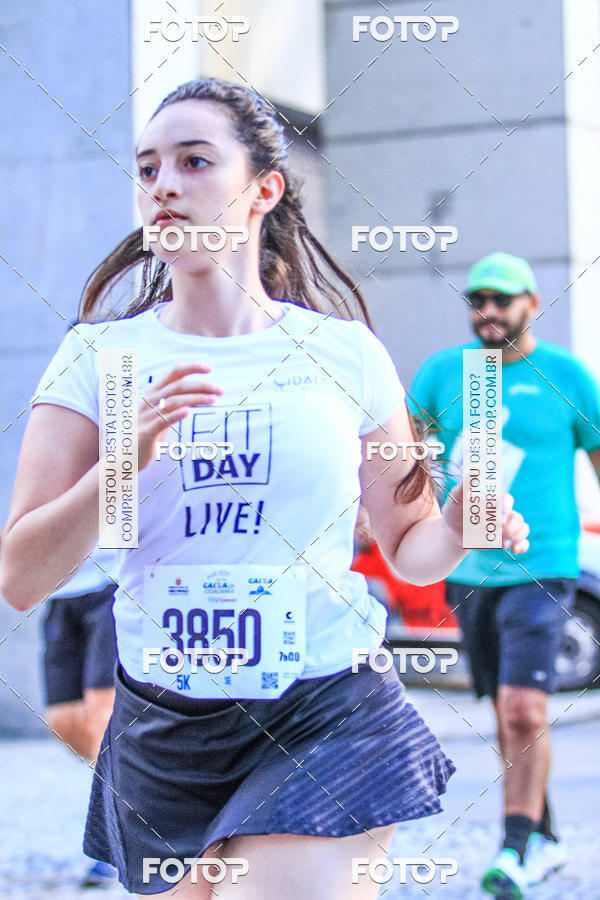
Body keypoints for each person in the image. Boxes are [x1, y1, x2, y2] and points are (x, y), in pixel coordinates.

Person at [0, 81, 529, 899]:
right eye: (146, 169)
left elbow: (412, 551)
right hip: (166, 727)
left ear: (264, 189)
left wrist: (460, 521)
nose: (163, 185)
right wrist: (125, 458)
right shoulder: (102, 360)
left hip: (325, 707)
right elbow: (23, 576)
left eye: (194, 161)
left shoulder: (344, 354)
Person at [409, 252, 600, 897]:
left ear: (532, 302)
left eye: (502, 299)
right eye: (476, 299)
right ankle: (542, 835)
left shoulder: (568, 377)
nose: (487, 311)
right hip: (468, 571)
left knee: (523, 708)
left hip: (544, 565)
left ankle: (514, 848)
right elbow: (406, 463)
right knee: (507, 712)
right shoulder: (446, 374)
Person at [43, 546, 119, 888]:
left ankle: (117, 846)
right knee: (64, 721)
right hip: (59, 591)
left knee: (104, 720)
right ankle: (152, 799)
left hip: (114, 585)